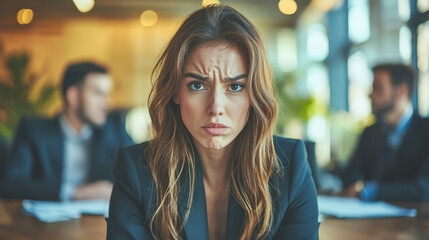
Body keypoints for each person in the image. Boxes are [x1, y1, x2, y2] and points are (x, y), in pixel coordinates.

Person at [107, 5, 319, 240]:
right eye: (197, 85)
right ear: (176, 91)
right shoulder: (137, 170)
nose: (215, 108)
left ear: (254, 95)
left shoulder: (290, 166)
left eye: (235, 87)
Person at [0, 61, 134, 201]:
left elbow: (140, 171)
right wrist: (76, 192)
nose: (107, 104)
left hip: (98, 221)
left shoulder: (114, 129)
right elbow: (12, 184)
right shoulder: (34, 131)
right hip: (43, 222)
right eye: (98, 94)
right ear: (73, 96)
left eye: (107, 94)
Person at [342, 63, 429, 202]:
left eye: (378, 88)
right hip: (370, 220)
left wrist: (368, 190)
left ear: (401, 91)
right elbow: (350, 176)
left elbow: (423, 189)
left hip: (416, 221)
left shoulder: (425, 132)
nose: (371, 95)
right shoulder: (370, 133)